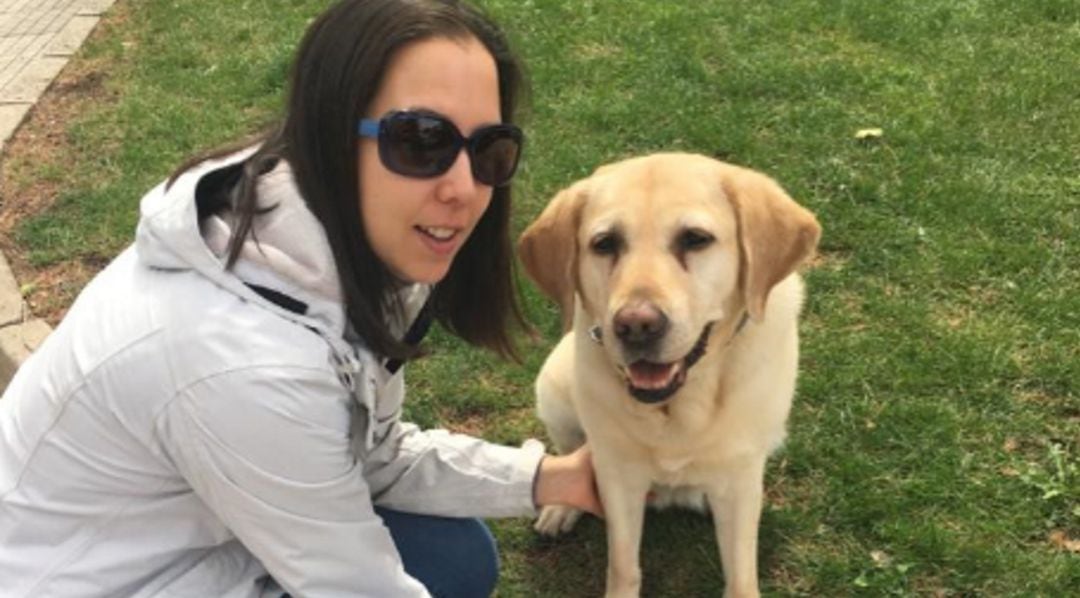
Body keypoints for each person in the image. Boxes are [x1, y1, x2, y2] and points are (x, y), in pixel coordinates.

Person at [0, 1, 602, 596]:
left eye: (489, 149)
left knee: (454, 557)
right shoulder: (246, 363)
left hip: (209, 533)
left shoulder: (326, 244)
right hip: (106, 579)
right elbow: (355, 588)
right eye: (421, 141)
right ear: (330, 133)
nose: (464, 188)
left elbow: (370, 454)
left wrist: (552, 479)